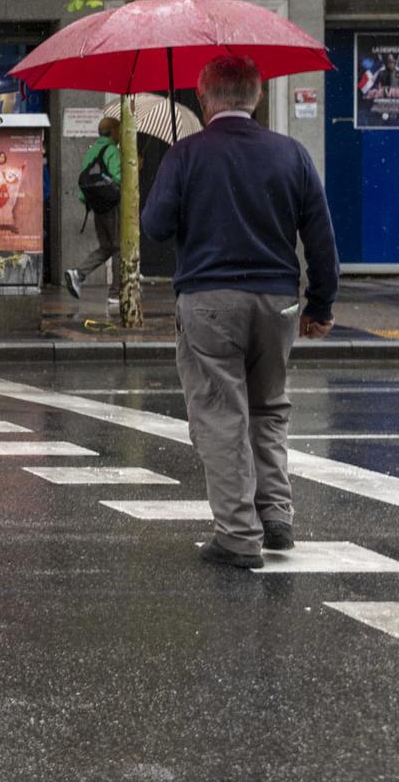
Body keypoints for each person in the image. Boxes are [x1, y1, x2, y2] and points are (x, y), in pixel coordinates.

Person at [143, 54, 339, 571]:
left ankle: (237, 535)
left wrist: (177, 184)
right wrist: (319, 306)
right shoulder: (292, 154)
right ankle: (276, 515)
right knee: (269, 406)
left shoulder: (186, 155)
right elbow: (321, 240)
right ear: (256, 96)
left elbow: (156, 228)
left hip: (208, 301)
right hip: (277, 301)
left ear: (204, 97)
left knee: (219, 413)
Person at [66, 116, 123, 305]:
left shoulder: (92, 150)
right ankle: (116, 292)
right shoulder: (112, 150)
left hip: (97, 207)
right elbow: (118, 178)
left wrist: (92, 202)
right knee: (118, 248)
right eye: (120, 130)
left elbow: (84, 182)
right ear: (113, 131)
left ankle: (78, 274)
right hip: (113, 206)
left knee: (107, 246)